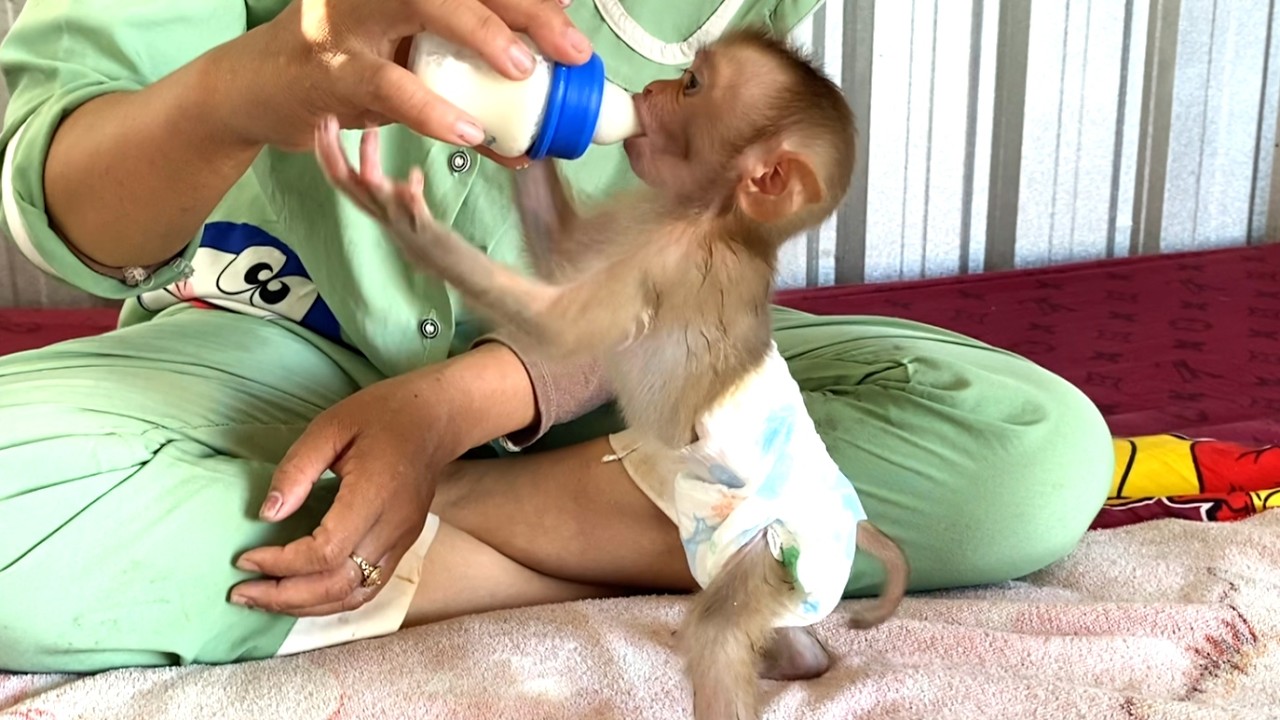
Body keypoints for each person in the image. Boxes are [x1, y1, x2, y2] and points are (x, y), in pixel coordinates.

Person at [0, 0, 1114, 674]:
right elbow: (77, 218)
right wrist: (240, 92)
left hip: (610, 371)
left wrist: (459, 408)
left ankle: (402, 529)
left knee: (1026, 455)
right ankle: (648, 550)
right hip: (272, 342)